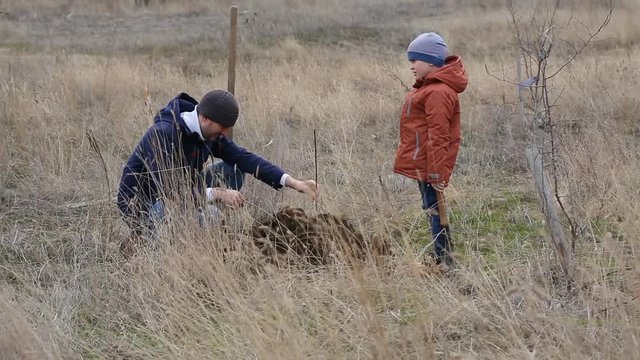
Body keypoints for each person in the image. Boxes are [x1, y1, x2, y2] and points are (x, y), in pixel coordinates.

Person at [117, 89, 319, 239]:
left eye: (226, 129)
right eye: (221, 128)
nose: (223, 134)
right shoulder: (164, 134)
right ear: (204, 117)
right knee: (211, 219)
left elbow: (243, 158)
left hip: (185, 192)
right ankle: (144, 238)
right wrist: (218, 194)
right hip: (148, 204)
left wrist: (293, 182)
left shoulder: (207, 131)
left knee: (234, 168)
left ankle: (205, 215)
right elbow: (173, 192)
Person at [393, 32, 468, 266]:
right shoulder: (428, 88)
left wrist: (436, 172)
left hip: (430, 164)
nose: (411, 66)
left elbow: (439, 135)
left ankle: (445, 259)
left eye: (415, 60)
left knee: (435, 210)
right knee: (431, 208)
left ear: (432, 62)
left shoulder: (438, 91)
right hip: (424, 162)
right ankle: (442, 256)